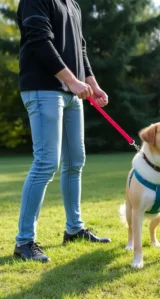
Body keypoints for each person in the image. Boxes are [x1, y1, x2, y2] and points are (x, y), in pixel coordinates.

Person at [13, 0, 111, 263]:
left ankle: (74, 229)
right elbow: (38, 40)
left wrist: (92, 83)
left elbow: (80, 49)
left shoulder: (73, 5)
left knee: (75, 162)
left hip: (71, 93)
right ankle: (24, 242)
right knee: (46, 163)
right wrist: (71, 80)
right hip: (42, 87)